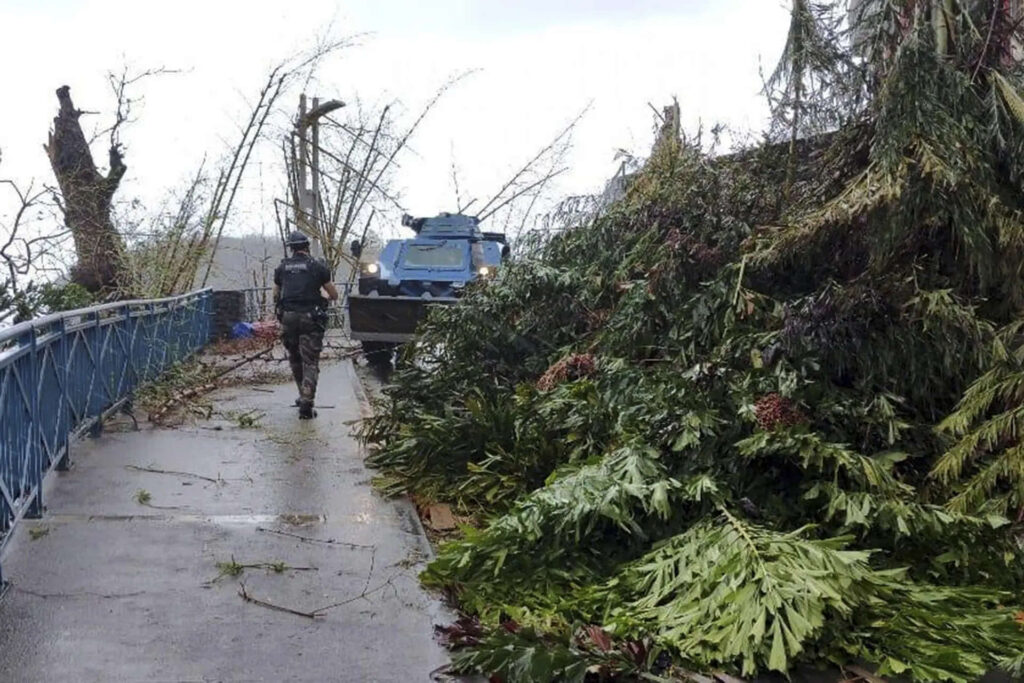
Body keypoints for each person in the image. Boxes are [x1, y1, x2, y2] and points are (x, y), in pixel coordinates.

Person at [272, 231, 339, 419]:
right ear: (307, 246)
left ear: (291, 248)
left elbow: (275, 294)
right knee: (310, 360)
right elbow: (333, 294)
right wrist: (324, 298)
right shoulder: (317, 267)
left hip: (288, 318)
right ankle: (307, 402)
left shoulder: (282, 268)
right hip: (310, 318)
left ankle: (302, 394)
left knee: (295, 358)